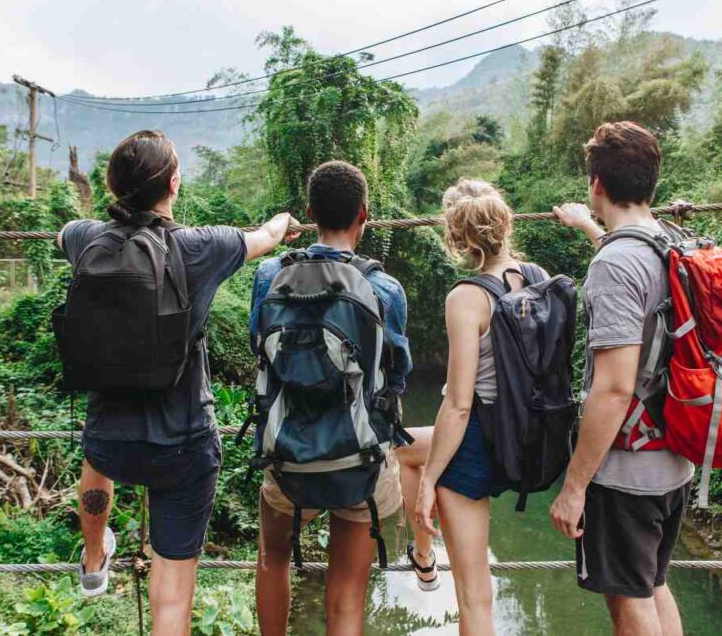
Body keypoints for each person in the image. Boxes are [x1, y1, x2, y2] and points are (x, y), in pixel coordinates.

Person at [58, 130, 296, 636]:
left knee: (94, 454)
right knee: (171, 599)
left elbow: (62, 233)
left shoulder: (86, 240)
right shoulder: (199, 247)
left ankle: (95, 558)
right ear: (173, 183)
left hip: (109, 444)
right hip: (183, 447)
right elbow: (268, 237)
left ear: (113, 186)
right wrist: (283, 221)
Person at [249, 160, 412, 636]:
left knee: (273, 560)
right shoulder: (385, 288)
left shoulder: (267, 275)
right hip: (359, 456)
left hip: (286, 451)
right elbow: (397, 377)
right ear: (364, 214)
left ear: (309, 213)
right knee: (346, 590)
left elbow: (260, 350)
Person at [549, 121, 694, 636]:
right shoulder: (673, 241)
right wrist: (590, 228)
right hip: (675, 457)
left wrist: (574, 486)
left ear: (596, 184)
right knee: (653, 584)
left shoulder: (616, 264)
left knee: (629, 603)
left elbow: (613, 388)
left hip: (627, 470)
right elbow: (632, 275)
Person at [405, 178, 542, 636]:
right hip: (527, 438)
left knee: (474, 597)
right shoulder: (539, 278)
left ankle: (423, 555)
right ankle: (422, 555)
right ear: (505, 222)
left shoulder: (467, 297)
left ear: (457, 237)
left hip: (478, 440)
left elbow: (459, 404)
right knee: (407, 448)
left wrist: (428, 482)